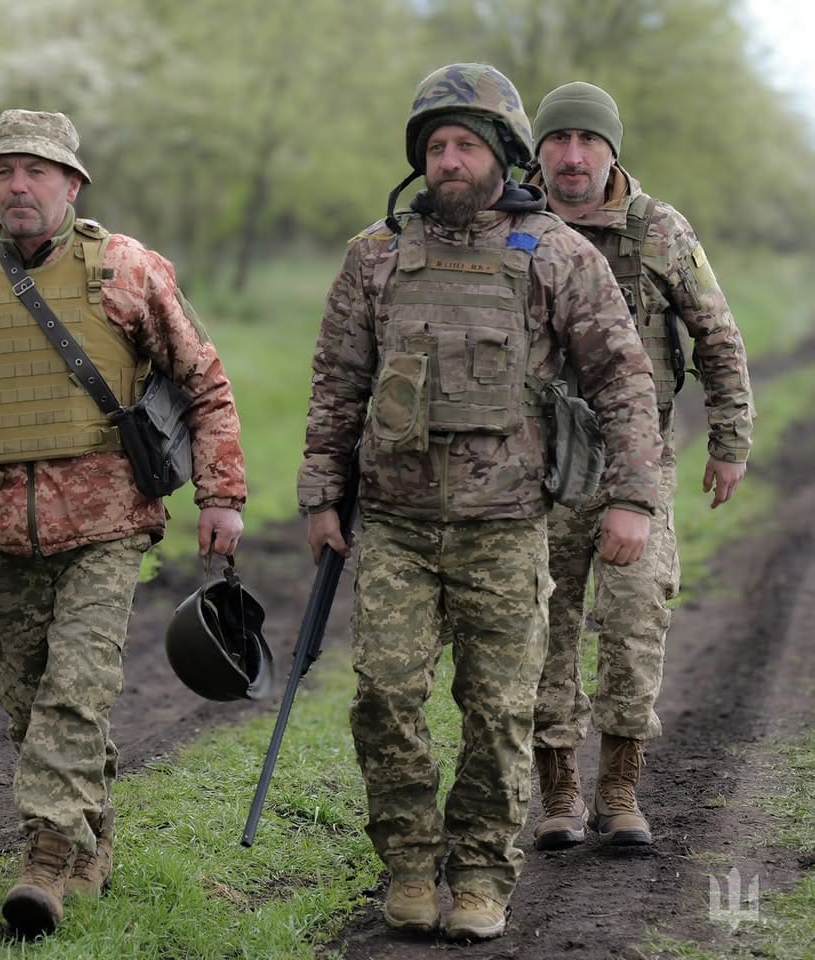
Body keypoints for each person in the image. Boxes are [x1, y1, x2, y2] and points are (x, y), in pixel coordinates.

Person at [298, 63, 663, 941]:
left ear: (502, 152)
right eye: (435, 147)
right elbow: (338, 382)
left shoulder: (557, 254)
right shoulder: (376, 255)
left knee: (499, 712)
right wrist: (321, 496)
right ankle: (409, 864)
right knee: (384, 697)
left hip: (506, 526)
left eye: (465, 144)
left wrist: (633, 497)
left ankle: (480, 875)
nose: (449, 161)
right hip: (395, 522)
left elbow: (622, 379)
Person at [0, 109, 247, 939]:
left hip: (108, 525)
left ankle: (43, 862)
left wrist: (222, 494)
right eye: (3, 172)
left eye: (36, 171)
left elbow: (204, 382)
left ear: (72, 185)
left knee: (77, 687)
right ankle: (90, 832)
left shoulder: (127, 271)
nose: (18, 186)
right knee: (26, 698)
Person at [524, 82, 754, 851]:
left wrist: (730, 440)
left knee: (635, 615)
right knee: (541, 623)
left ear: (612, 150)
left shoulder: (659, 230)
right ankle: (559, 791)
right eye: (559, 140)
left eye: (588, 140)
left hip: (637, 455)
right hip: (538, 462)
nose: (573, 155)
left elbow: (716, 336)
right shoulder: (513, 226)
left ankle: (620, 790)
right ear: (538, 150)